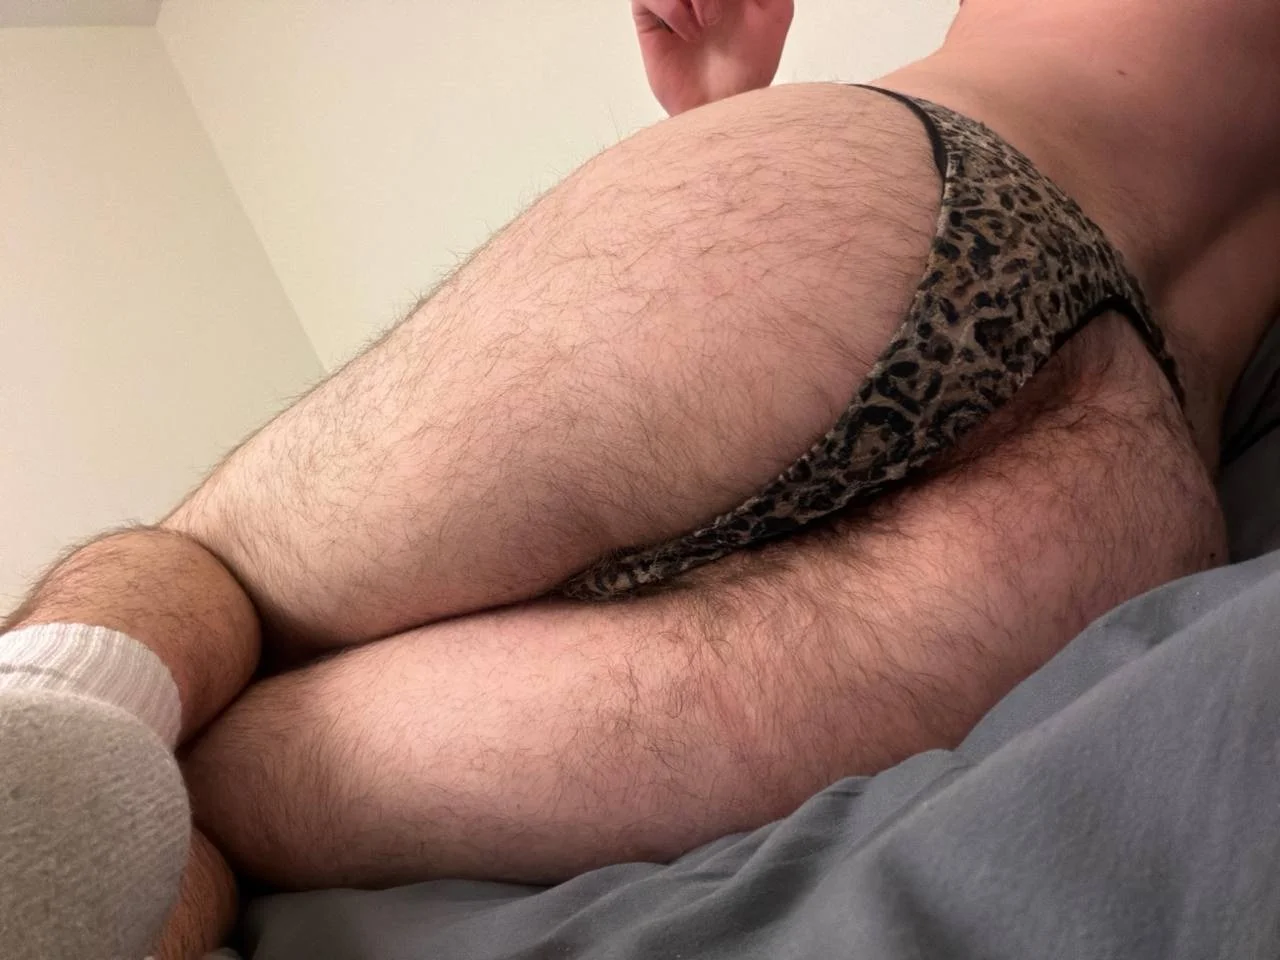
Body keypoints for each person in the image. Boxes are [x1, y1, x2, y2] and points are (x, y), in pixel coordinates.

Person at [2, 0, 1279, 956]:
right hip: (1124, 472)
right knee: (205, 803)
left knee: (191, 614)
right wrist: (724, 109)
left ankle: (39, 695)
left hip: (908, 186)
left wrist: (736, 133)